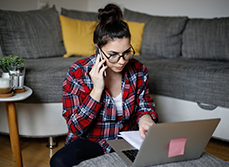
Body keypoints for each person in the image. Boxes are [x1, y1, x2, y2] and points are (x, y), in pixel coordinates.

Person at [50, 3, 158, 167]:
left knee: (159, 157)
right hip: (91, 142)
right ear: (98, 49)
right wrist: (97, 90)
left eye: (126, 52)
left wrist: (146, 118)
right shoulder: (77, 72)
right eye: (113, 55)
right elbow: (75, 127)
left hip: (125, 140)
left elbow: (144, 105)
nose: (122, 61)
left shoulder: (139, 70)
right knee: (59, 162)